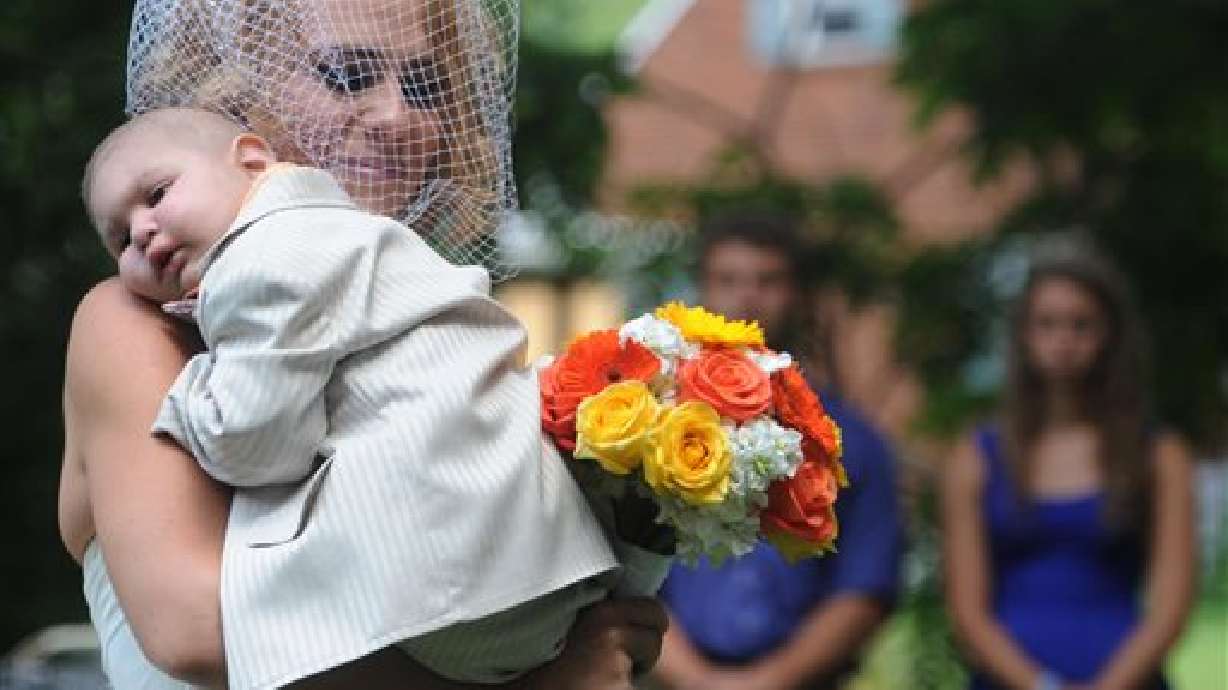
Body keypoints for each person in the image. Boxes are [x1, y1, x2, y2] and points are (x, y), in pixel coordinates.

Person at [58, 1, 668, 688]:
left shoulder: (427, 318)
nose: (395, 116)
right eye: (348, 76)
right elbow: (192, 630)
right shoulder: (134, 325)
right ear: (239, 97)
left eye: (426, 88)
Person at [650, 211, 903, 690]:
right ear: (701, 290)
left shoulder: (847, 440)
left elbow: (865, 585)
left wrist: (767, 682)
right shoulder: (652, 423)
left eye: (768, 280)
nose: (747, 296)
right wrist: (695, 680)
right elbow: (623, 572)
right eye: (728, 279)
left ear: (798, 294)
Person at [942, 236, 1196, 690]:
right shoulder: (977, 455)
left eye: (1081, 325)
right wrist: (1042, 685)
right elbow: (967, 613)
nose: (1063, 340)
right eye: (1047, 324)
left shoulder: (1159, 455)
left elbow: (1170, 609)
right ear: (1023, 335)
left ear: (1110, 335)